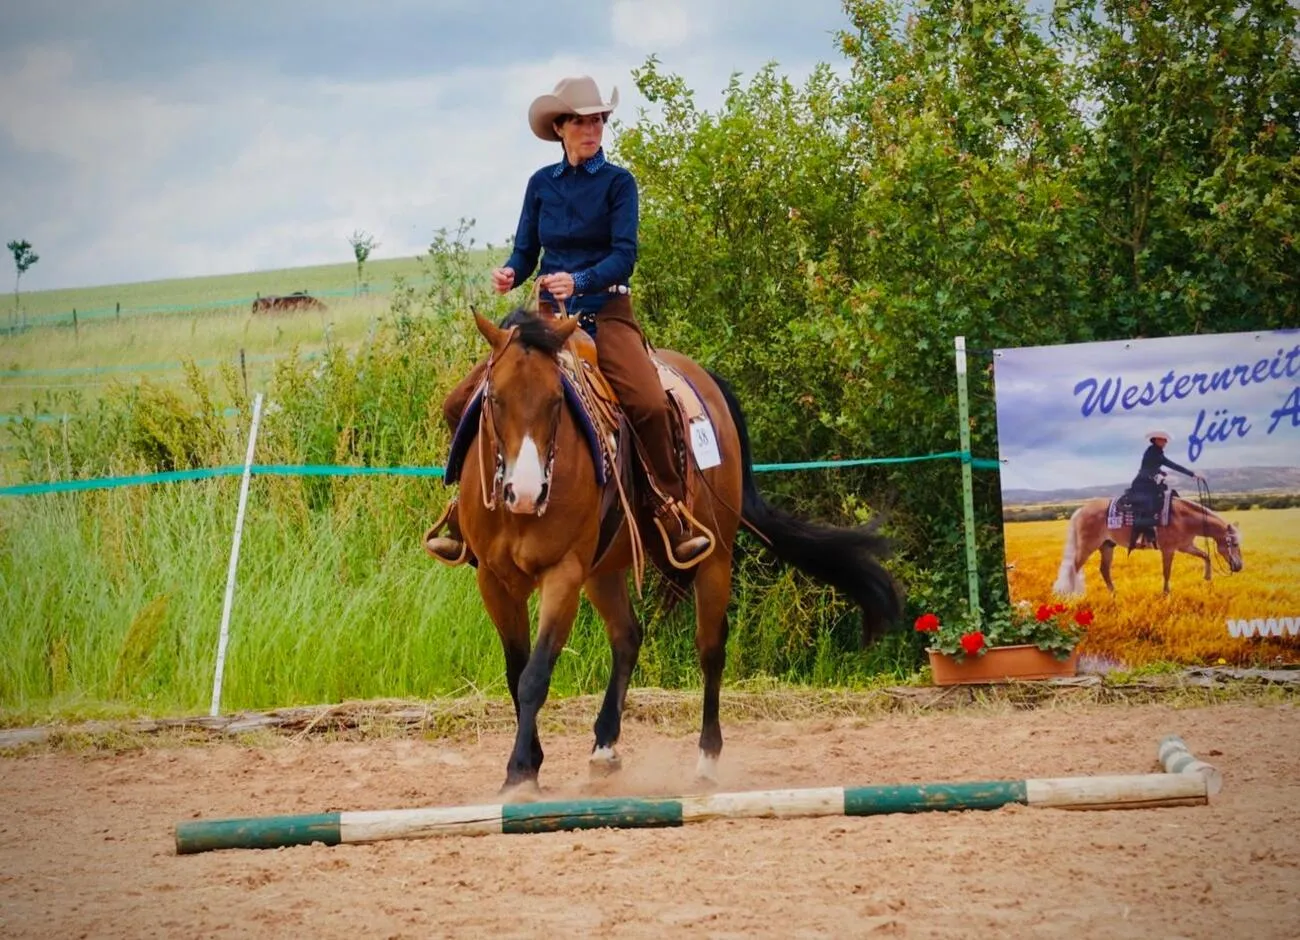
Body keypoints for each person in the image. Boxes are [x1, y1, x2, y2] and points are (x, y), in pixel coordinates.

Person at [424, 75, 715, 569]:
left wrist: (577, 282)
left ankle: (671, 509)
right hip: (543, 323)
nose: (592, 128)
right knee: (459, 402)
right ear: (560, 127)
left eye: (599, 119)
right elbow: (526, 249)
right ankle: (464, 510)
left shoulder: (618, 183)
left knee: (646, 402)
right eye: (581, 120)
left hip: (606, 315)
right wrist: (511, 272)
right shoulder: (541, 185)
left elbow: (625, 256)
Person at [1127, 429, 1203, 551]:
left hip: (1150, 482)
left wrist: (1159, 471)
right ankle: (1142, 536)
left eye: (1166, 440)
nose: (1165, 442)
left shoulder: (1156, 452)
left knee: (1167, 500)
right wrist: (1192, 474)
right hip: (1143, 484)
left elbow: (1150, 466)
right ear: (1156, 440)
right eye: (1163, 440)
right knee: (1150, 505)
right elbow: (1171, 465)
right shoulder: (1154, 453)